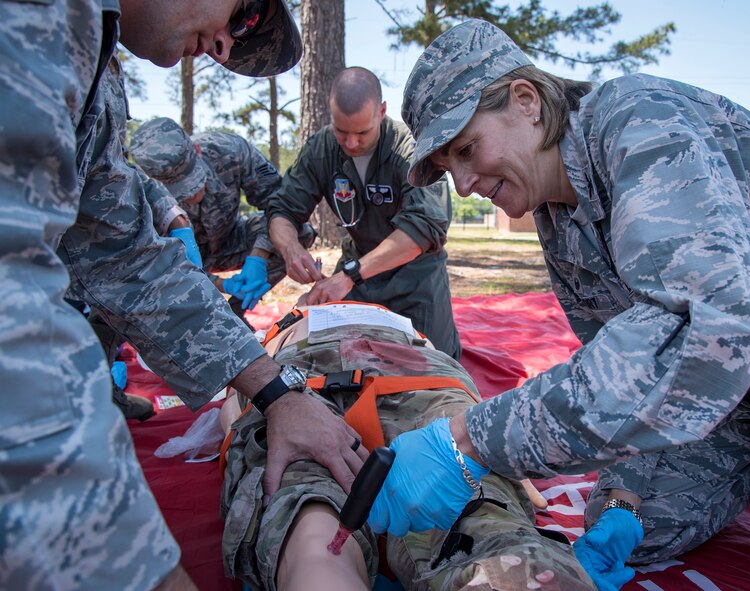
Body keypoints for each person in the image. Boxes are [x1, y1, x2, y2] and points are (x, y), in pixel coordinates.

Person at [365, 19, 750, 591]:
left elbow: (707, 334)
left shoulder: (640, 121)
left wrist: (467, 439)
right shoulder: (558, 218)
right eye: (447, 167)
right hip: (742, 408)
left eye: (466, 149)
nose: (462, 184)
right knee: (633, 523)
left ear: (526, 101)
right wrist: (621, 494)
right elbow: (618, 368)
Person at [1, 1, 370, 589]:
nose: (225, 48)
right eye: (242, 11)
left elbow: (126, 257)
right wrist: (129, 560)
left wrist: (275, 392)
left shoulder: (97, 59)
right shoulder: (43, 17)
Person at [219, 300, 592, 590]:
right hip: (417, 370)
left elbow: (234, 408)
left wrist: (245, 424)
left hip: (301, 376)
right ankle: (520, 563)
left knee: (310, 520)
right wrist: (493, 455)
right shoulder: (399, 325)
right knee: (474, 506)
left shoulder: (282, 329)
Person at [267, 66, 462, 359]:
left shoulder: (410, 147)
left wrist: (349, 276)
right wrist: (291, 248)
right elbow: (282, 210)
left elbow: (423, 227)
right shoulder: (322, 147)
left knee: (435, 363)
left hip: (415, 275)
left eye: (362, 132)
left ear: (382, 111)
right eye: (341, 131)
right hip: (355, 268)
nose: (351, 143)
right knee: (318, 356)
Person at [131, 117, 317, 327]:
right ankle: (208, 320)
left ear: (198, 151)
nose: (191, 196)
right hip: (181, 258)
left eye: (194, 182)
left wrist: (259, 257)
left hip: (229, 240)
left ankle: (238, 310)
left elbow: (279, 204)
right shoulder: (139, 193)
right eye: (179, 192)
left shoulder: (229, 150)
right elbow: (159, 262)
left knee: (298, 233)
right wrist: (222, 284)